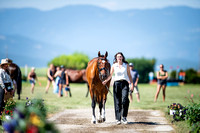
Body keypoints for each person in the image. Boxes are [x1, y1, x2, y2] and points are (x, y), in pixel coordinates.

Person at [102, 52, 134, 125]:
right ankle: (118, 119)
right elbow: (110, 75)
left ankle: (124, 117)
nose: (119, 58)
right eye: (118, 56)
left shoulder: (126, 65)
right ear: (116, 58)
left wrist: (132, 84)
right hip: (116, 84)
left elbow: (129, 75)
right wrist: (106, 81)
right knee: (117, 101)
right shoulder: (114, 65)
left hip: (125, 84)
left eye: (120, 56)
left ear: (122, 57)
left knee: (125, 99)